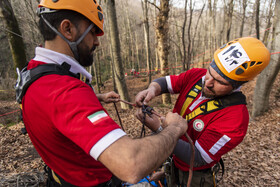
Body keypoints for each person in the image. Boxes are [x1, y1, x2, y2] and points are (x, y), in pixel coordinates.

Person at [15, 0, 189, 186]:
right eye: (92, 32)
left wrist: (96, 98)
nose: (97, 41)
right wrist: (174, 128)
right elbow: (131, 164)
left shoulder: (34, 72)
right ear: (67, 29)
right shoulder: (66, 91)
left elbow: (54, 109)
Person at [135, 37, 270, 187]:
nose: (208, 82)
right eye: (210, 72)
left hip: (195, 175)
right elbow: (167, 82)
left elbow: (199, 158)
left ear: (237, 84)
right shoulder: (197, 76)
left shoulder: (235, 119)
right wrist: (152, 89)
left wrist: (160, 130)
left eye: (220, 82)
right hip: (172, 159)